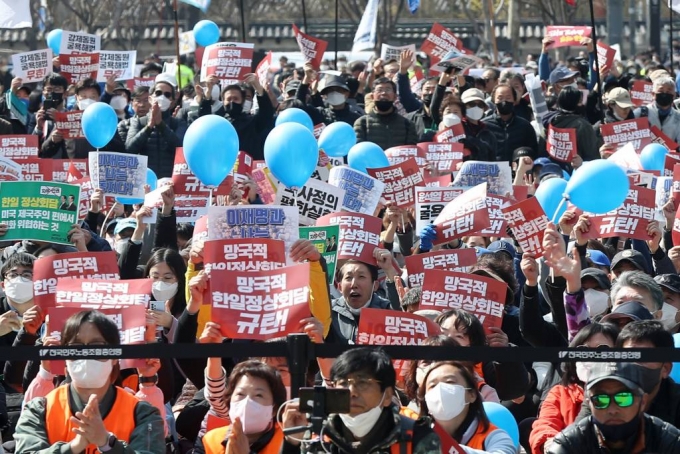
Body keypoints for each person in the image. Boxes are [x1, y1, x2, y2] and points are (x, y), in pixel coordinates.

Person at [14, 310, 166, 453]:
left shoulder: (143, 413)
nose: (86, 355)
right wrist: (73, 448)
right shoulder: (38, 409)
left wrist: (107, 443)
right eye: (76, 347)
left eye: (97, 347)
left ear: (115, 356)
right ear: (64, 356)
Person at [280, 348, 442, 453]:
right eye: (343, 383)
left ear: (387, 395)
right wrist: (290, 444)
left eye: (363, 383)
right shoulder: (317, 436)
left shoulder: (417, 437)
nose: (352, 392)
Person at [545, 362, 680, 453]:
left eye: (623, 398)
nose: (612, 409)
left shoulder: (668, 442)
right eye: (600, 400)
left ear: (643, 401)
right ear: (588, 402)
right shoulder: (568, 445)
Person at [529, 322, 619, 454]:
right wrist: (549, 442)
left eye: (602, 349)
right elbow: (544, 425)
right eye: (584, 350)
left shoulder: (629, 393)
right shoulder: (560, 393)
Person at [418, 361, 516, 453]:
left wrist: (447, 447)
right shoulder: (414, 436)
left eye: (449, 382)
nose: (440, 390)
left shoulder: (495, 437)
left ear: (472, 394)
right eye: (432, 386)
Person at [194, 360, 287, 454]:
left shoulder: (289, 440)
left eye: (259, 395)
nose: (247, 402)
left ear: (274, 408)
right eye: (240, 394)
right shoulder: (210, 441)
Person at [328, 251, 401, 344]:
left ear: (375, 285)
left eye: (361, 277)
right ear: (339, 287)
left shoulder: (387, 310)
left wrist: (389, 269)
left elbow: (401, 308)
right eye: (348, 278)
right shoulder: (328, 312)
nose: (354, 284)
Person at [125, 75, 183, 178]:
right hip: (145, 182)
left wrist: (161, 125)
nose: (162, 97)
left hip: (170, 182)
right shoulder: (138, 122)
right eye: (158, 93)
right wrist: (149, 126)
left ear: (172, 102)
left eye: (167, 95)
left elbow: (180, 149)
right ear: (150, 98)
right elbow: (129, 149)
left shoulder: (178, 123)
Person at [354, 77, 418, 149]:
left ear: (395, 97)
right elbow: (359, 149)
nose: (384, 93)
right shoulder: (362, 123)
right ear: (372, 96)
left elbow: (411, 151)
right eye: (379, 90)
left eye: (388, 90)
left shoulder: (407, 124)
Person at [484, 83, 538, 163]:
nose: (504, 101)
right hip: (491, 171)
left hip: (517, 172)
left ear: (514, 100)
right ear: (493, 101)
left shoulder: (525, 126)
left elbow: (533, 151)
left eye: (508, 98)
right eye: (500, 98)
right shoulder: (484, 125)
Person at [636, 76, 680, 142]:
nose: (664, 94)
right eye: (661, 91)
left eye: (668, 92)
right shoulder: (640, 113)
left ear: (674, 96)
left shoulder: (678, 117)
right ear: (653, 94)